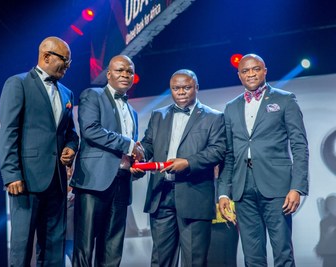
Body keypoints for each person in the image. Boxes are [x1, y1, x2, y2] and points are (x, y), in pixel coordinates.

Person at [218, 54, 309, 267]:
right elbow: (228, 154)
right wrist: (223, 192)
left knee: (282, 252)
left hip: (277, 186)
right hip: (242, 188)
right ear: (239, 75)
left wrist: (297, 187)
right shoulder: (231, 107)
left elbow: (299, 146)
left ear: (265, 70)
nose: (251, 74)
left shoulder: (285, 99)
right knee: (252, 256)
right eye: (245, 71)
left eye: (255, 69)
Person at [0, 36, 79, 267]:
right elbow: (8, 131)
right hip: (26, 179)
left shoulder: (67, 93)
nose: (68, 66)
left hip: (57, 181)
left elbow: (71, 133)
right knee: (22, 246)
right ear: (46, 56)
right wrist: (11, 174)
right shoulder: (18, 83)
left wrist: (71, 148)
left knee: (54, 246)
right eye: (65, 60)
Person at [133, 69, 226, 266]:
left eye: (186, 87)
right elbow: (148, 145)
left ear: (197, 88)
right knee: (160, 260)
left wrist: (188, 162)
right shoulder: (159, 115)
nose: (181, 92)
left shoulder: (214, 117)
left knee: (194, 261)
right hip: (161, 194)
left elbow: (217, 151)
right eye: (176, 88)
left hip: (194, 195)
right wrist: (137, 158)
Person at [70, 55, 144, 267]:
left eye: (129, 72)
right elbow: (90, 130)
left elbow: (131, 150)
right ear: (108, 74)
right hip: (94, 181)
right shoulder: (92, 95)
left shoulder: (133, 112)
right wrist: (129, 144)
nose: (125, 75)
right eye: (120, 70)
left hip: (121, 182)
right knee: (84, 249)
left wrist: (136, 165)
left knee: (112, 249)